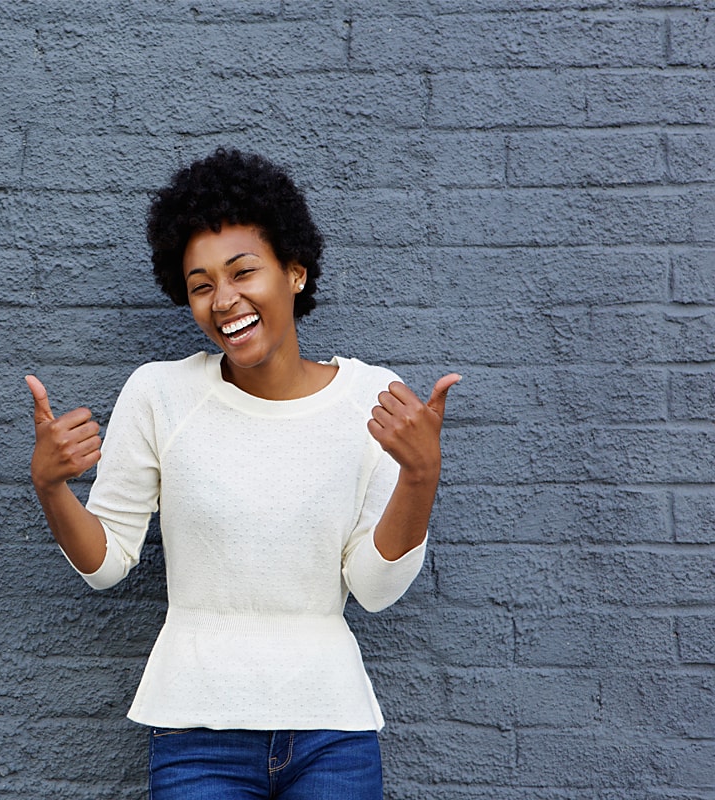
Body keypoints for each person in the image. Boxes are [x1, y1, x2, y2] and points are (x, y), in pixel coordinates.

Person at [25, 148, 459, 799]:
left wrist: (421, 479)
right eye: (201, 285)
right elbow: (107, 562)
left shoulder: (373, 398)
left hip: (331, 733)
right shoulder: (159, 394)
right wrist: (51, 488)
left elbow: (372, 587)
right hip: (197, 735)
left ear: (294, 272)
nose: (224, 299)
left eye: (242, 272)